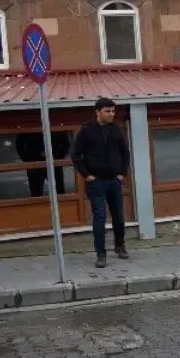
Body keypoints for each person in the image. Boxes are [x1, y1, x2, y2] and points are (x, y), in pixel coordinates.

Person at [71, 97, 131, 268]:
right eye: (108, 111)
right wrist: (86, 175)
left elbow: (125, 153)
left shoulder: (116, 130)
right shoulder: (87, 130)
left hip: (114, 181)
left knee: (118, 216)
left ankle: (120, 246)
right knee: (99, 217)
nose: (112, 114)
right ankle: (101, 254)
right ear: (97, 112)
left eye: (113, 111)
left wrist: (122, 173)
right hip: (96, 182)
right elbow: (76, 155)